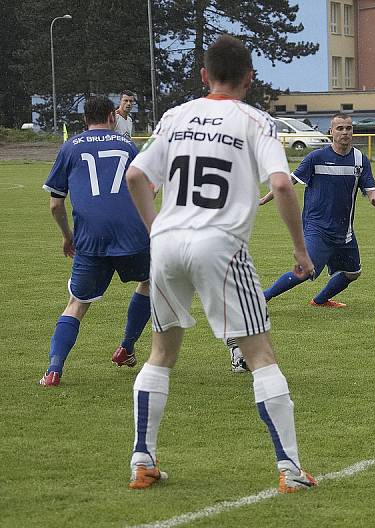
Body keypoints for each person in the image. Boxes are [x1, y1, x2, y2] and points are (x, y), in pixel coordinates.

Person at [123, 34, 317, 493]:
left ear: (204, 75)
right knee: (260, 355)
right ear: (250, 78)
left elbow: (135, 175)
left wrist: (156, 230)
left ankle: (142, 459)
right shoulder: (257, 120)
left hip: (168, 243)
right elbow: (284, 185)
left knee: (161, 354)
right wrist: (300, 250)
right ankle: (290, 469)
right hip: (222, 245)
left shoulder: (176, 116)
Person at [39, 96, 150, 387]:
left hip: (91, 236)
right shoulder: (127, 145)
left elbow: (55, 204)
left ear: (84, 119)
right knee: (152, 282)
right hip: (131, 234)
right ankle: (126, 346)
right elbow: (145, 191)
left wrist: (67, 237)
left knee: (77, 303)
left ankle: (54, 370)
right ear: (113, 116)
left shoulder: (70, 147)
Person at [258, 112, 375, 310]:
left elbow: (370, 186)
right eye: (340, 128)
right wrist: (266, 198)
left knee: (353, 272)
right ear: (331, 131)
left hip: (344, 231)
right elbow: (288, 181)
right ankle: (262, 298)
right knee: (307, 269)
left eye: (348, 128)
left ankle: (320, 300)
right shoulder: (316, 157)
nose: (345, 132)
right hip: (317, 228)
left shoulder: (360, 159)